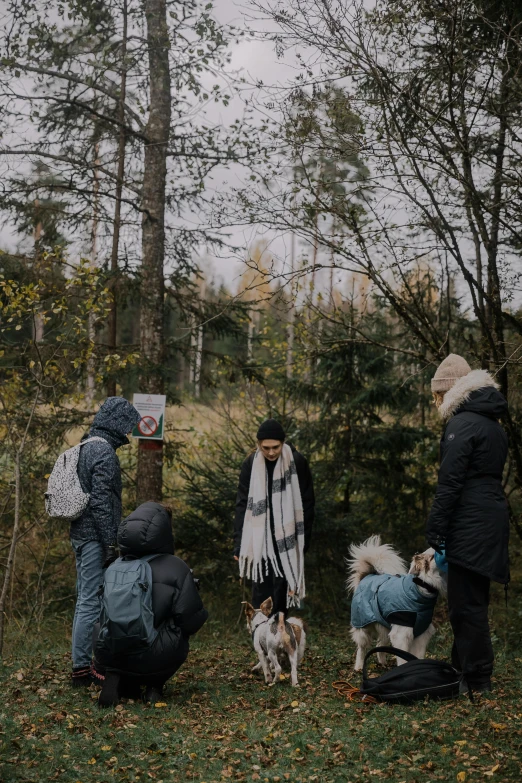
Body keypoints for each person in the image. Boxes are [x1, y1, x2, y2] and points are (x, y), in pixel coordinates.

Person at [426, 354, 509, 695]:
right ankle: (462, 670)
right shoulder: (491, 422)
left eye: (436, 395)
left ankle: (477, 681)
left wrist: (435, 525)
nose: (434, 403)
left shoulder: (461, 425)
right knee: (472, 600)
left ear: (450, 391)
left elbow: (450, 483)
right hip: (489, 518)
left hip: (471, 522)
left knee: (466, 605)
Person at [95, 502, 208, 706]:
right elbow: (191, 621)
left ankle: (118, 677)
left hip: (108, 651)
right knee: (178, 629)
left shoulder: (114, 566)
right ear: (163, 531)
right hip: (152, 655)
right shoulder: (176, 566)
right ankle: (154, 685)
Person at [70, 396, 141, 687]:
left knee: (86, 599)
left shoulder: (85, 446)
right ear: (116, 424)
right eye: (126, 427)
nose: (128, 434)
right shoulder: (104, 454)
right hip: (94, 537)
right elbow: (100, 502)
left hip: (79, 534)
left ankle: (85, 665)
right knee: (90, 601)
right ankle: (82, 670)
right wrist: (110, 542)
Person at [234, 419, 315, 614]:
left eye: (275, 447)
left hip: (287, 538)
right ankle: (261, 637)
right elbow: (242, 504)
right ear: (258, 445)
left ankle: (280, 635)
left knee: (282, 590)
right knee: (260, 588)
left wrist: (304, 541)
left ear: (283, 442)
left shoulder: (297, 462)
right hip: (259, 537)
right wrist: (238, 543)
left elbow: (307, 503)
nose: (271, 452)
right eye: (266, 448)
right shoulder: (251, 464)